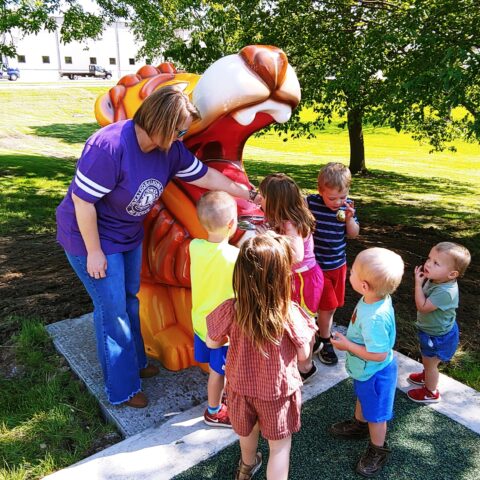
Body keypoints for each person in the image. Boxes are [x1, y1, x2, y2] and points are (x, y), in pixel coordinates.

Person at [56, 86, 261, 408]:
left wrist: (247, 194)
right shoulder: (108, 146)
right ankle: (122, 389)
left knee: (130, 301)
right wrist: (94, 252)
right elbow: (82, 203)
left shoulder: (170, 151)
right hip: (89, 236)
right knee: (113, 313)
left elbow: (205, 177)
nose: (183, 136)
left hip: (127, 235)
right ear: (163, 125)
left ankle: (136, 362)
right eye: (180, 130)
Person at [206, 234, 316, 480]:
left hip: (240, 388)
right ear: (281, 276)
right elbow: (303, 355)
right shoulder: (289, 312)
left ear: (240, 275)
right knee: (279, 448)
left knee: (247, 433)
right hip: (277, 392)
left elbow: (211, 341)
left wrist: (229, 339)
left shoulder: (231, 309)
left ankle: (247, 466)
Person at [330, 247, 404, 477]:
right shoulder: (373, 298)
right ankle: (359, 425)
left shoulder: (374, 318)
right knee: (363, 399)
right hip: (366, 370)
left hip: (376, 373)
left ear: (364, 286)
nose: (349, 273)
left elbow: (380, 354)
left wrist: (347, 346)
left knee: (377, 415)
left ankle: (377, 449)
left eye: (352, 272)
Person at [258, 173, 323, 382]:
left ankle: (306, 367)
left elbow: (297, 256)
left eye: (263, 196)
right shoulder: (285, 219)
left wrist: (272, 239)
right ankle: (310, 346)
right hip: (296, 278)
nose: (260, 199)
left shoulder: (290, 224)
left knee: (302, 321)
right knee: (295, 318)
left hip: (304, 280)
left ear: (275, 201)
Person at [190, 191, 239, 427]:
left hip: (200, 322)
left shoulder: (195, 246)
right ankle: (214, 411)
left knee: (214, 365)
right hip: (222, 330)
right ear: (231, 225)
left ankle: (221, 400)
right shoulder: (235, 257)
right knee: (218, 372)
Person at [307, 162, 360, 366]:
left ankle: (323, 333)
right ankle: (322, 338)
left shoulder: (348, 208)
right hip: (316, 267)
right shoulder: (311, 203)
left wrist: (349, 220)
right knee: (321, 306)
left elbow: (354, 234)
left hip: (337, 266)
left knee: (330, 306)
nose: (338, 202)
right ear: (320, 191)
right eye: (332, 198)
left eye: (343, 196)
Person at [407, 242, 471, 403]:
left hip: (438, 336)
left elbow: (422, 307)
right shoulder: (436, 278)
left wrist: (417, 284)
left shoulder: (445, 291)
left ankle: (431, 392)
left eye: (436, 263)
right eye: (429, 259)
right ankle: (427, 375)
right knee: (427, 359)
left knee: (431, 364)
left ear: (452, 274)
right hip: (432, 331)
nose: (428, 264)